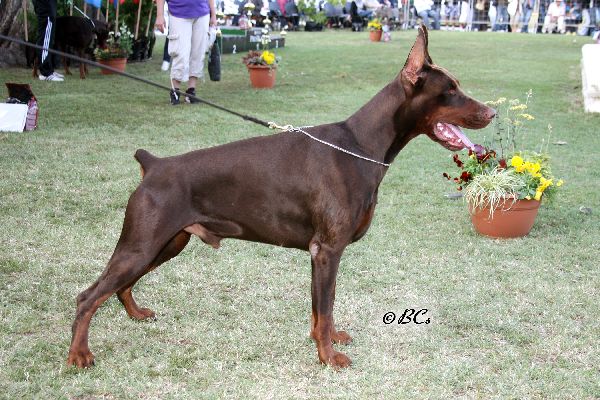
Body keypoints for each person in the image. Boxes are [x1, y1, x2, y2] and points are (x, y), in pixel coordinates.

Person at [155, 0, 217, 105]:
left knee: (198, 53)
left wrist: (213, 14)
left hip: (202, 12)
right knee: (180, 53)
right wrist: (160, 15)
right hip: (178, 12)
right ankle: (175, 91)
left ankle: (191, 91)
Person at [33, 0, 64, 81]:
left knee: (48, 38)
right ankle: (46, 73)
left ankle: (49, 70)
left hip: (49, 5)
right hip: (45, 6)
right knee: (45, 39)